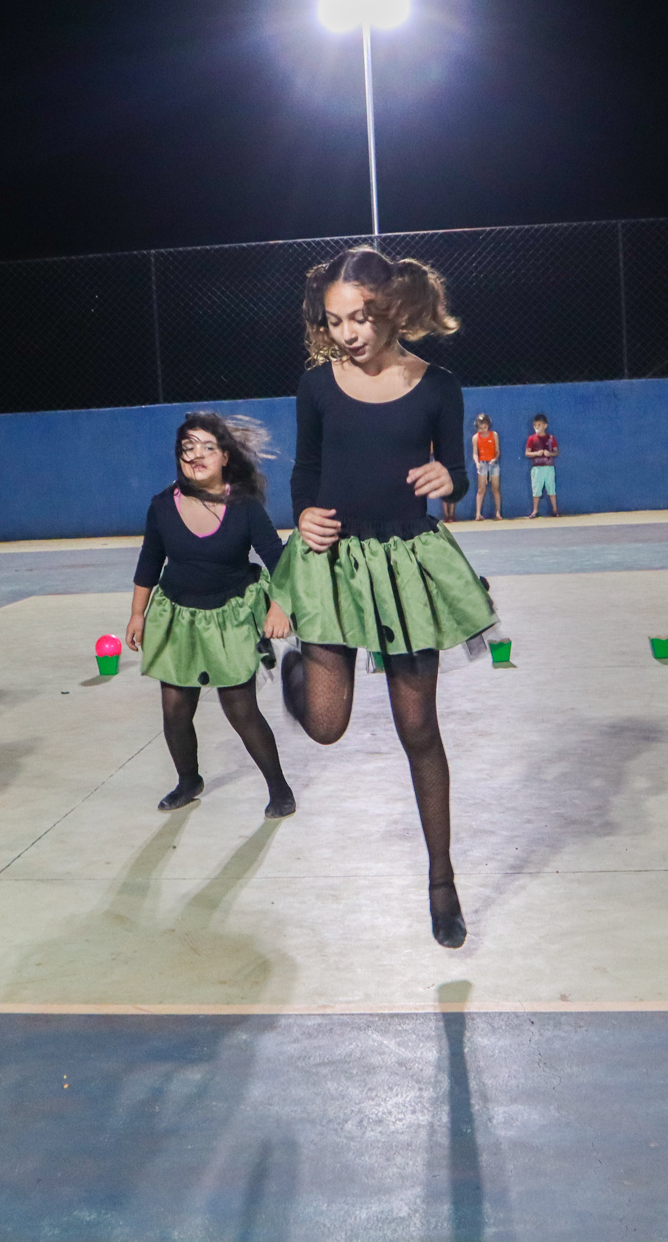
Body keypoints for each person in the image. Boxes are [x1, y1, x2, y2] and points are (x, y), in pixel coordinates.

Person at [271, 245, 497, 948]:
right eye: (336, 321)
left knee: (418, 728)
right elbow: (306, 471)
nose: (349, 333)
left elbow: (455, 471)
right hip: (334, 563)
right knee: (327, 726)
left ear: (392, 309)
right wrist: (303, 511)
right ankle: (299, 676)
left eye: (361, 317)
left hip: (404, 566)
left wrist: (446, 481)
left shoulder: (438, 386)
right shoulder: (316, 388)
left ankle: (441, 880)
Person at [125, 412, 297, 819]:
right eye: (187, 449)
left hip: (231, 615)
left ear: (225, 457)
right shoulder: (162, 506)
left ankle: (279, 787)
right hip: (177, 616)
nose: (195, 455)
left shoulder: (245, 506)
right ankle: (189, 780)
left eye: (206, 447)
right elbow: (149, 562)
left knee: (240, 708)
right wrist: (137, 613)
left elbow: (279, 560)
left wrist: (280, 604)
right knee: (175, 710)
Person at [468, 412, 503, 520]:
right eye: (480, 428)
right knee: (481, 489)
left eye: (485, 427)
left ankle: (498, 512)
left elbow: (497, 451)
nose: (483, 430)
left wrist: (494, 459)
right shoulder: (475, 438)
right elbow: (475, 453)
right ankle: (478, 514)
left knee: (495, 488)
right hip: (482, 464)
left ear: (488, 425)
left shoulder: (494, 435)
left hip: (493, 464)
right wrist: (477, 463)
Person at [525, 413, 560, 517]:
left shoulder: (551, 438)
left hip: (549, 467)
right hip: (537, 468)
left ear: (545, 425)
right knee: (536, 489)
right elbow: (527, 453)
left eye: (539, 425)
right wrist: (536, 453)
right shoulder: (531, 439)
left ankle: (554, 509)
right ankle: (535, 510)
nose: (537, 427)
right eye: (535, 425)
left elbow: (556, 452)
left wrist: (550, 454)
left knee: (551, 488)